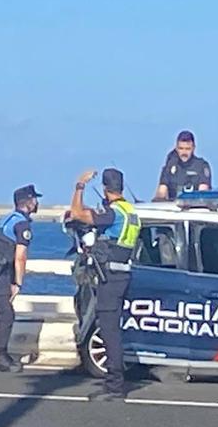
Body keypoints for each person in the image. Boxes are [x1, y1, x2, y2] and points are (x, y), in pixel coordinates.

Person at [70, 168, 140, 400]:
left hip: (110, 279)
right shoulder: (131, 211)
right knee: (113, 330)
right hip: (123, 276)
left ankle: (114, 386)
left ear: (105, 189)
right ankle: (114, 382)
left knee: (109, 332)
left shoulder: (113, 213)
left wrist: (79, 186)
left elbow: (77, 214)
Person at [0, 185, 41, 373]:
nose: (37, 203)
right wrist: (18, 283)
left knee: (3, 313)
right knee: (6, 314)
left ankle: (2, 354)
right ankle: (0, 358)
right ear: (29, 202)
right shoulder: (22, 225)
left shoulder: (9, 218)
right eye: (35, 199)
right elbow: (20, 256)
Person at [154, 130, 212, 201]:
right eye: (181, 148)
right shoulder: (170, 166)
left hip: (195, 208)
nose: (184, 152)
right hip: (172, 208)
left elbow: (203, 194)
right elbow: (161, 192)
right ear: (176, 148)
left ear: (193, 148)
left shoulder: (201, 166)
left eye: (187, 149)